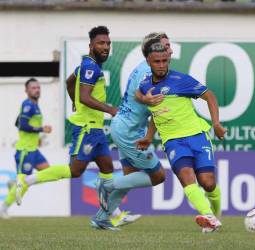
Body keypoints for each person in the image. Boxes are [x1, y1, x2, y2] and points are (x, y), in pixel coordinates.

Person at [14, 26, 119, 230]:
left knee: (107, 168)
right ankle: (29, 180)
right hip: (87, 129)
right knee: (75, 170)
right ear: (91, 46)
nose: (105, 47)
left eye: (108, 43)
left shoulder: (85, 66)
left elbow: (71, 83)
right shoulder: (91, 68)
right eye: (101, 43)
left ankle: (107, 215)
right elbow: (85, 96)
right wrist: (110, 109)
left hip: (96, 130)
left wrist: (73, 100)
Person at [136, 42, 227, 233]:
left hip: (197, 135)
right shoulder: (145, 85)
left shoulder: (180, 80)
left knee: (208, 183)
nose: (161, 65)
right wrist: (149, 136)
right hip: (173, 141)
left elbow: (209, 95)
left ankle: (215, 215)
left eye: (164, 61)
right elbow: (156, 113)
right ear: (148, 62)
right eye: (157, 61)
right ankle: (209, 217)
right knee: (186, 177)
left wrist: (216, 123)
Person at [90, 33, 172, 228]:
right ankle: (105, 184)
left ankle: (101, 217)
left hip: (123, 126)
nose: (169, 49)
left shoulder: (144, 68)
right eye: (165, 46)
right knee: (158, 176)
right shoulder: (148, 74)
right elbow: (146, 100)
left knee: (130, 178)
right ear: (153, 51)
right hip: (129, 132)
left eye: (169, 46)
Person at [0, 78, 58, 218]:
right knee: (24, 184)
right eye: (33, 88)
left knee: (49, 173)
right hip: (25, 150)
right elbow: (22, 126)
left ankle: (14, 183)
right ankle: (3, 208)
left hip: (34, 150)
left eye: (38, 87)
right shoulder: (28, 105)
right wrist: (41, 129)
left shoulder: (34, 105)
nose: (37, 90)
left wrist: (35, 137)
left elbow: (17, 122)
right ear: (26, 91)